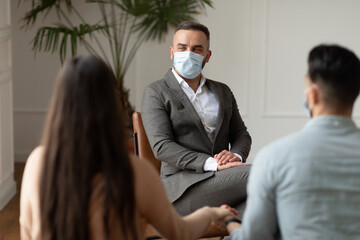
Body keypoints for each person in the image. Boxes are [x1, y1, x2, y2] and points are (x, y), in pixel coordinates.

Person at [19, 55, 238, 240]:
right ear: (111, 105)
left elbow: (27, 232)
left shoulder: (36, 163)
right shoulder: (133, 172)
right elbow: (178, 231)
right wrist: (213, 214)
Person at [224, 44, 360, 239]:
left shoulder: (274, 157)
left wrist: (230, 223)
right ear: (355, 94)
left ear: (312, 95)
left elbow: (254, 237)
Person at [141, 21, 252, 216]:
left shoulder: (222, 91)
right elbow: (161, 146)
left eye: (197, 49)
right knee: (264, 174)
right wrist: (212, 164)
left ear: (207, 56)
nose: (188, 54)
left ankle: (231, 233)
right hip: (180, 190)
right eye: (182, 48)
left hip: (222, 181)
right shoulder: (156, 92)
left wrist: (235, 155)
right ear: (171, 52)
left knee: (269, 200)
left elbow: (241, 135)